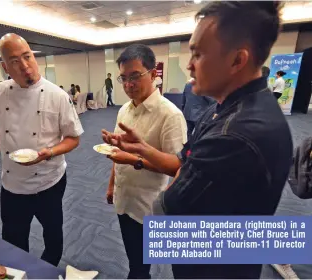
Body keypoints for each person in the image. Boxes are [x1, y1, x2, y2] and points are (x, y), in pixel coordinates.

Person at [102, 2, 293, 279]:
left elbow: (166, 207)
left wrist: (148, 163)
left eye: (199, 54)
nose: (189, 66)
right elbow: (182, 161)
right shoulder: (220, 110)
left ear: (237, 60)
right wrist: (144, 150)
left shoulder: (237, 133)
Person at [0, 33, 83, 267]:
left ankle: (47, 270)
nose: (25, 66)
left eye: (27, 57)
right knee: (13, 242)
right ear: (5, 66)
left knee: (53, 234)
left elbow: (73, 139)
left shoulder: (57, 95)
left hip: (50, 182)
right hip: (13, 185)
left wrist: (51, 152)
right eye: (15, 61)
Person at [105, 44, 187, 279]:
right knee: (134, 260)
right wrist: (111, 185)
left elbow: (177, 167)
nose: (129, 84)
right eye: (124, 78)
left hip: (148, 206)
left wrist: (134, 159)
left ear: (153, 74)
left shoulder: (170, 115)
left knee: (141, 268)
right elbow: (116, 152)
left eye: (135, 76)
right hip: (124, 198)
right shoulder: (124, 111)